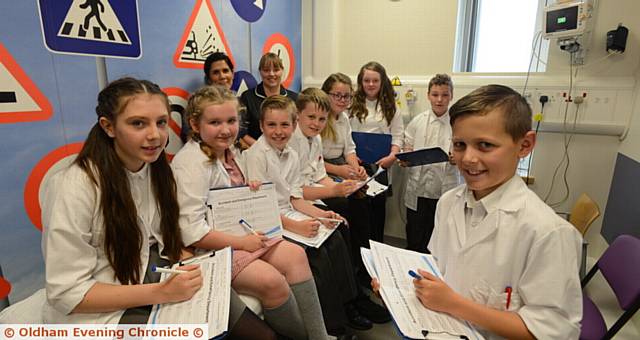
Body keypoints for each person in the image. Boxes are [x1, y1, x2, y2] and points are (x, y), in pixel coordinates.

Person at [41, 77, 276, 339]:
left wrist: (183, 255)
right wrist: (161, 292)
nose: (155, 135)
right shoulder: (73, 187)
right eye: (138, 123)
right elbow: (67, 292)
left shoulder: (153, 168)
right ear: (108, 127)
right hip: (104, 307)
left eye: (161, 122)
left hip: (150, 272)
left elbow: (156, 234)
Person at [410, 85, 582, 339]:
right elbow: (437, 269)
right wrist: (402, 289)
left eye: (485, 145)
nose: (467, 158)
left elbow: (552, 332)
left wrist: (453, 303)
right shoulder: (448, 203)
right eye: (459, 144)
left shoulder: (548, 233)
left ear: (524, 145)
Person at [171, 85, 325, 340]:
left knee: (296, 255)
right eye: (214, 122)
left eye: (231, 121)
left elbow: (234, 197)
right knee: (271, 281)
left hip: (241, 234)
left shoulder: (230, 152)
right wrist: (243, 242)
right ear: (195, 125)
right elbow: (193, 232)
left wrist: (249, 187)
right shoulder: (191, 163)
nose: (225, 129)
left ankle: (318, 337)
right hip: (214, 248)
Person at [244, 95, 364, 338]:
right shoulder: (255, 156)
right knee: (317, 256)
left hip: (288, 212)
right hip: (268, 221)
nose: (279, 132)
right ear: (261, 126)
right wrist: (296, 227)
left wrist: (323, 215)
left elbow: (295, 197)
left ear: (293, 124)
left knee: (334, 236)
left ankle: (346, 305)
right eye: (272, 125)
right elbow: (259, 210)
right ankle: (331, 326)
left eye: (284, 125)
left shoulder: (291, 154)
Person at [290, 87, 391, 328]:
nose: (316, 124)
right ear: (298, 115)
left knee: (358, 200)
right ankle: (351, 298)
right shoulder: (291, 141)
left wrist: (348, 185)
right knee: (345, 220)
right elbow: (297, 191)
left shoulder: (314, 139)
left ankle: (360, 282)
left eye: (321, 119)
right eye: (311, 117)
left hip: (313, 192)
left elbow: (321, 176)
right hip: (301, 199)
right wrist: (334, 190)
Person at [402, 74, 460, 253]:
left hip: (444, 190)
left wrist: (457, 156)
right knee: (415, 234)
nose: (440, 99)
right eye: (435, 94)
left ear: (451, 96)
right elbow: (408, 145)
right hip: (418, 190)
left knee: (438, 239)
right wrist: (406, 157)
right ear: (428, 95)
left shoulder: (458, 123)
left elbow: (466, 150)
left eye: (444, 95)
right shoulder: (417, 121)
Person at [349, 61, 403, 242]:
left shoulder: (392, 107)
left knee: (378, 211)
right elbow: (345, 135)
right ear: (361, 82)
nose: (370, 85)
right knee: (359, 211)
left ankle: (377, 249)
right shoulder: (351, 105)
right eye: (366, 80)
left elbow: (397, 137)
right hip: (357, 165)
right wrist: (351, 157)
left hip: (381, 166)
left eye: (375, 81)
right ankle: (360, 253)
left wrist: (392, 157)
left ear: (382, 82)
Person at [240, 52, 298, 147]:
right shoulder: (247, 97)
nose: (271, 74)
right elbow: (242, 131)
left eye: (276, 70)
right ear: (260, 71)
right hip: (257, 152)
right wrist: (263, 149)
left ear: (282, 70)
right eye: (266, 70)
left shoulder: (294, 98)